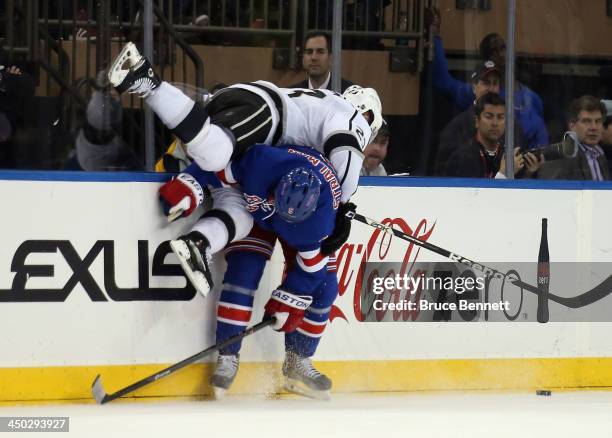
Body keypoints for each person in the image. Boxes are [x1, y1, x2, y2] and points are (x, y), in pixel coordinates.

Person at [107, 42, 381, 281]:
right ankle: (144, 78)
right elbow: (345, 170)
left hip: (253, 134)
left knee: (240, 212)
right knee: (215, 153)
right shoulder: (352, 116)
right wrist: (341, 211)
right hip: (267, 113)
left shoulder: (325, 112)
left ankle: (198, 243)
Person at [159, 143, 344, 399]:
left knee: (325, 287)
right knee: (243, 272)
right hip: (256, 209)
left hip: (304, 225)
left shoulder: (320, 221)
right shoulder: (260, 162)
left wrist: (288, 301)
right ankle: (228, 355)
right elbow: (215, 167)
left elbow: (311, 271)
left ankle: (298, 360)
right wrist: (190, 184)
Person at [427, 8, 548, 149]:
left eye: (503, 48)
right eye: (493, 51)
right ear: (486, 59)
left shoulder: (533, 99)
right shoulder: (482, 91)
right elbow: (443, 81)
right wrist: (434, 36)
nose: (500, 54)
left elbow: (540, 139)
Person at [444, 92, 541, 178]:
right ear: (477, 121)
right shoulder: (462, 157)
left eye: (500, 117)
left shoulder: (508, 154)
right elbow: (472, 196)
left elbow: (517, 196)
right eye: (489, 116)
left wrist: (529, 173)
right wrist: (503, 174)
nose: (495, 123)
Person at [538, 96, 610, 181]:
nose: (594, 127)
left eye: (598, 121)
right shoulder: (560, 155)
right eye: (587, 121)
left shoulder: (600, 152)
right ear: (572, 125)